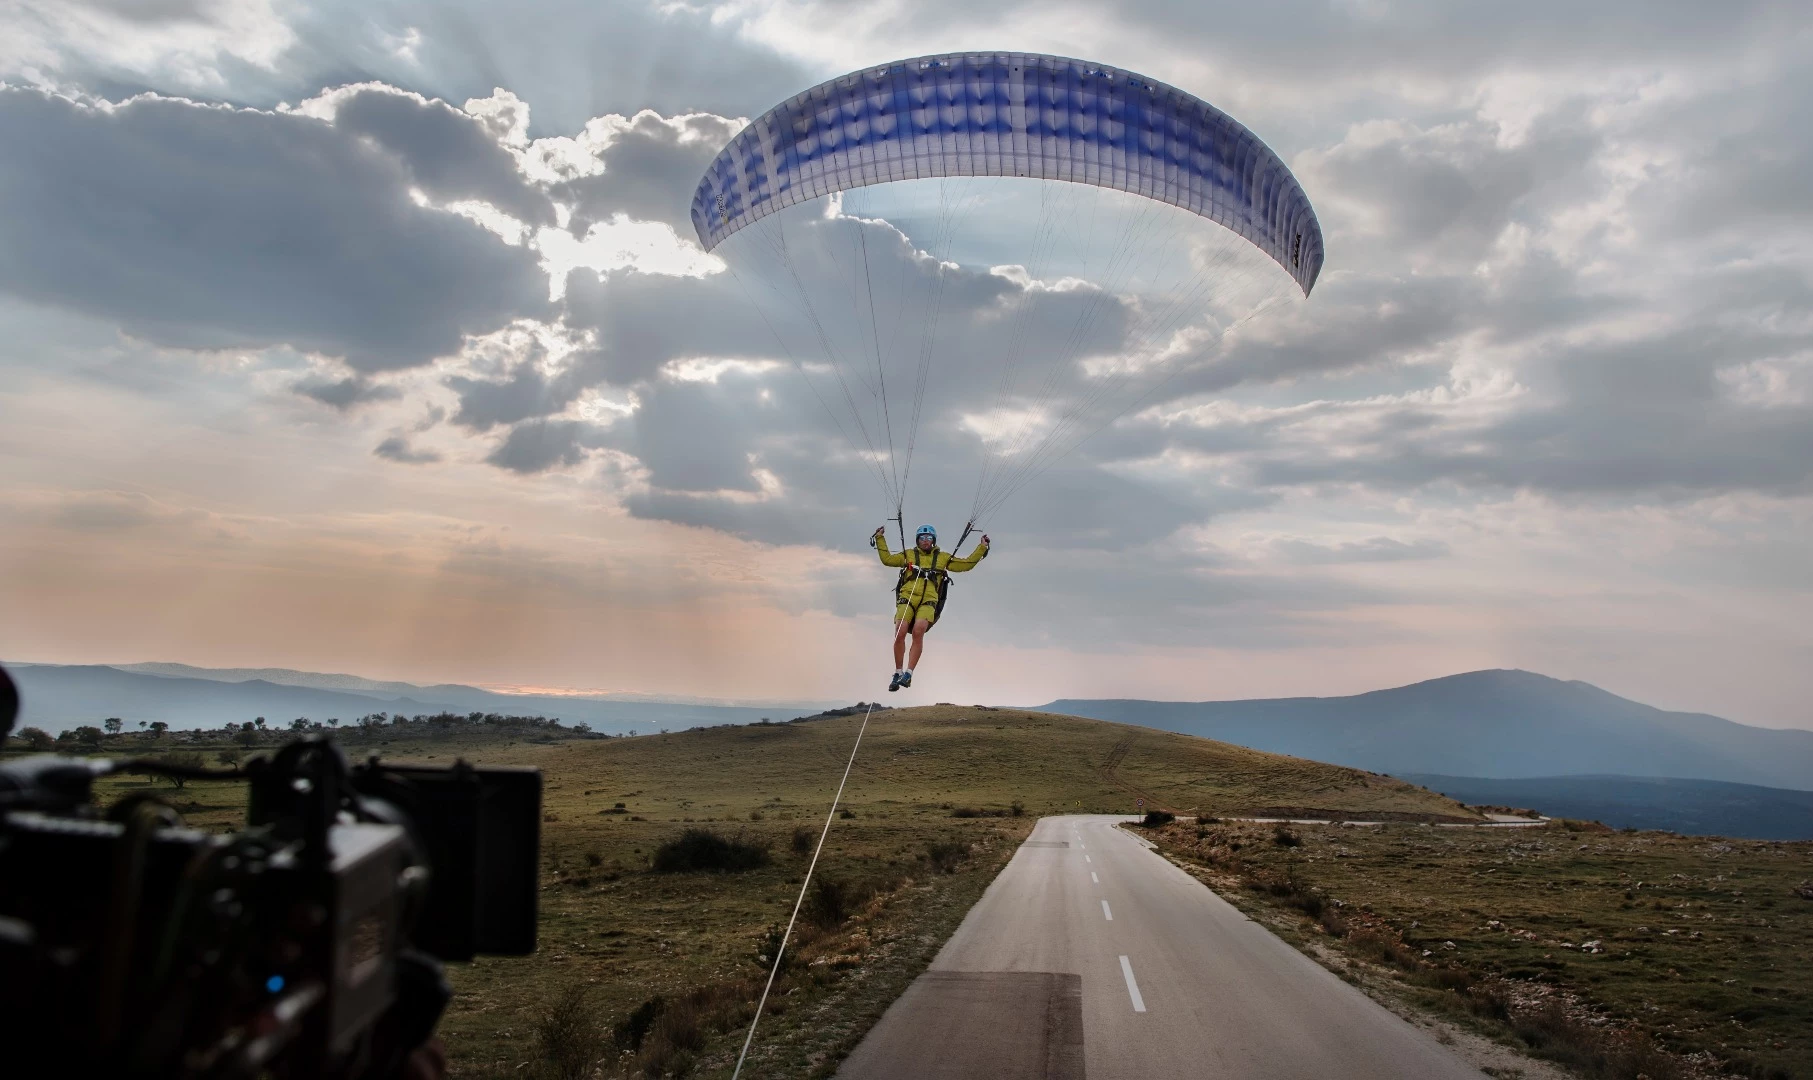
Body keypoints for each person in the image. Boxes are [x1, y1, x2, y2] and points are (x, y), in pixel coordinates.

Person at [873, 523, 989, 691]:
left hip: (929, 599)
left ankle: (909, 674)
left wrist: (982, 547)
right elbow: (887, 560)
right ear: (917, 540)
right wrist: (879, 538)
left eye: (928, 538)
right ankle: (898, 672)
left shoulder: (942, 558)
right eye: (922, 538)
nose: (925, 541)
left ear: (933, 541)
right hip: (908, 597)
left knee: (919, 630)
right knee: (900, 630)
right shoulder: (909, 555)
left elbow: (965, 565)